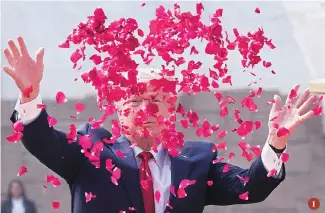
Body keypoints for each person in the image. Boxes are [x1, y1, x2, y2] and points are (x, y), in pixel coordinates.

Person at [2, 37, 316, 213]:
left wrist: (276, 143)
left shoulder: (197, 162)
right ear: (119, 111)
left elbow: (251, 187)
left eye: (155, 99)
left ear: (172, 109)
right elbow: (42, 141)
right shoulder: (90, 152)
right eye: (134, 101)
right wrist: (29, 94)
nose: (144, 109)